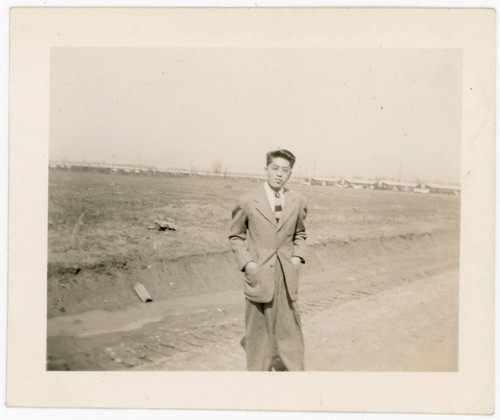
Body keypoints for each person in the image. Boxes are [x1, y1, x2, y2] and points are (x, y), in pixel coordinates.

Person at [229, 149, 308, 371]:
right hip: (259, 273)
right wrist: (248, 264)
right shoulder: (246, 200)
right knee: (257, 332)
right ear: (266, 169)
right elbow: (236, 236)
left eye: (285, 170)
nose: (279, 174)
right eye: (275, 168)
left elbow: (300, 234)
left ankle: (294, 378)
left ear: (290, 173)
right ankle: (257, 378)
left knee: (290, 328)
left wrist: (297, 257)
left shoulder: (298, 201)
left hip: (286, 274)